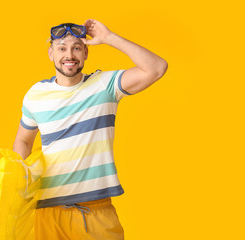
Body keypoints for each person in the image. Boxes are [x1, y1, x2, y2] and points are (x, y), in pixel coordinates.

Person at [13, 19, 168, 240]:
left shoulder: (105, 85)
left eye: (76, 48)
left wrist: (108, 38)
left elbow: (157, 68)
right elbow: (23, 141)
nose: (69, 55)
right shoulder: (35, 95)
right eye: (62, 48)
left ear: (86, 53)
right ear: (51, 53)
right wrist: (18, 182)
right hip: (47, 212)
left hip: (95, 212)